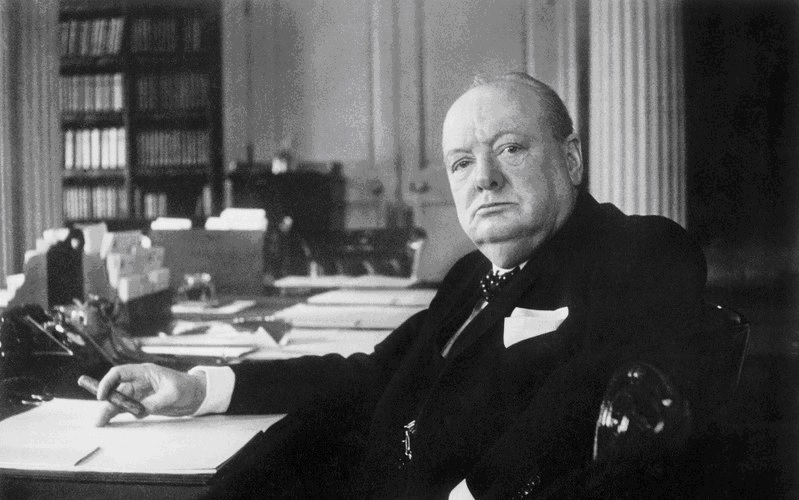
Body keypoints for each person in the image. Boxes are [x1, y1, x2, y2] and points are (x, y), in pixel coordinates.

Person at [95, 72, 708, 498]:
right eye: (462, 163)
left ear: (571, 159)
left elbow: (582, 418)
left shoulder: (641, 250)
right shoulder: (470, 275)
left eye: (510, 149)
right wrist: (198, 387)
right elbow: (372, 375)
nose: (484, 179)